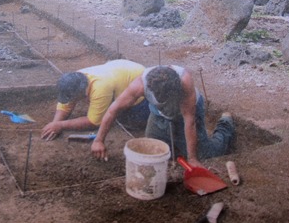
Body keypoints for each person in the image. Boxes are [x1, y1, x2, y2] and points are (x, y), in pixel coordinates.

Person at [91, 65, 235, 168]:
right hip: (158, 114)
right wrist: (98, 140)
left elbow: (189, 121)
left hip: (186, 113)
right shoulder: (140, 85)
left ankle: (225, 124)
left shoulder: (185, 83)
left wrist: (192, 159)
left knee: (205, 154)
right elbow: (112, 110)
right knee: (153, 152)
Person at [41, 59, 150, 141]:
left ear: (81, 93)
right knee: (107, 106)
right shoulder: (77, 77)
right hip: (123, 70)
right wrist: (55, 123)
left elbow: (93, 122)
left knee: (126, 121)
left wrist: (61, 125)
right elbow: (66, 103)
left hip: (143, 88)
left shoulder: (100, 87)